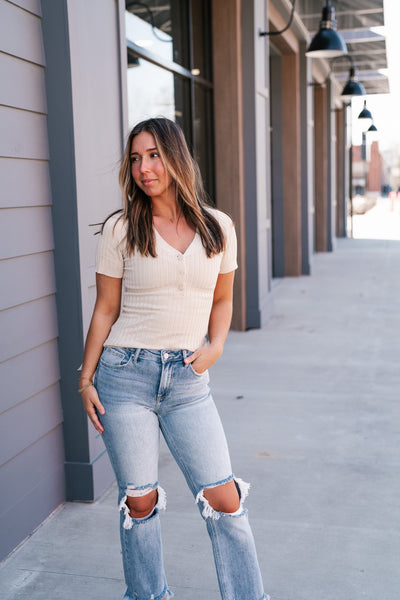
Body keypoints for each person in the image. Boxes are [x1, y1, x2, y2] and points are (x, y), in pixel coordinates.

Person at [79, 117, 268, 600]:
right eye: (136, 158)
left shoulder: (217, 226)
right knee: (139, 502)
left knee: (224, 498)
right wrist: (86, 379)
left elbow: (223, 299)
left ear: (176, 157)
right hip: (124, 376)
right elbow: (105, 309)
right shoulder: (123, 228)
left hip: (187, 382)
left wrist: (217, 345)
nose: (144, 168)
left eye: (154, 155)